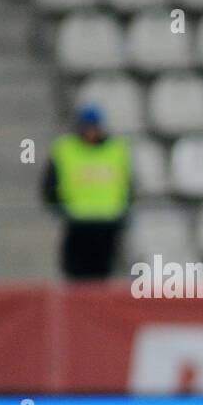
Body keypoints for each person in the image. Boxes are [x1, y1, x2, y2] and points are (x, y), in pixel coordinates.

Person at [41, 104, 131, 280]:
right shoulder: (65, 149)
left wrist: (124, 209)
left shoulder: (117, 149)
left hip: (107, 222)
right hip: (77, 222)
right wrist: (58, 206)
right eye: (87, 127)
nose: (91, 132)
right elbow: (50, 184)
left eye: (94, 127)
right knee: (75, 274)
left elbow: (128, 183)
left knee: (102, 276)